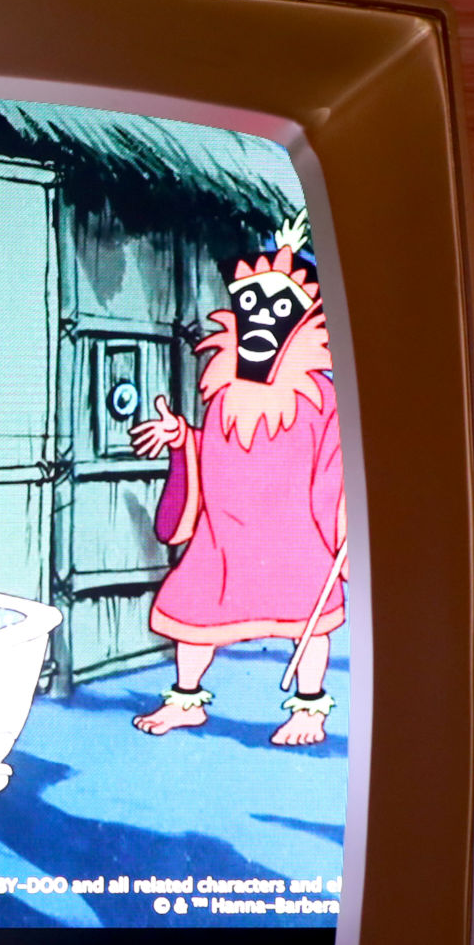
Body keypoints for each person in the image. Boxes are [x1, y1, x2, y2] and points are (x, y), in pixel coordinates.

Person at [128, 213, 346, 747]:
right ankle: (186, 701)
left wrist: (344, 523)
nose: (261, 317)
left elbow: (335, 467)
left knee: (309, 619)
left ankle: (309, 709)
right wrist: (183, 438)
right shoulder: (224, 390)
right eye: (252, 302)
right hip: (223, 535)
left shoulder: (321, 397)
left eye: (278, 307)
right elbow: (215, 451)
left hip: (295, 536)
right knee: (191, 605)